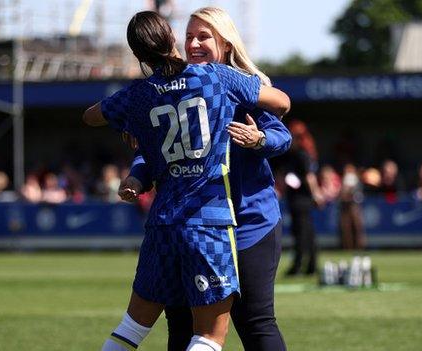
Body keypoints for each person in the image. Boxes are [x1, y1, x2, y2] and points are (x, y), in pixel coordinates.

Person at [82, 11, 290, 351]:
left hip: (246, 222)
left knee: (254, 322)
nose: (193, 43)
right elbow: (156, 152)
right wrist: (138, 171)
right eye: (188, 35)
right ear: (172, 39)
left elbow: (282, 136)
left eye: (203, 36)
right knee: (191, 330)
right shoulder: (217, 80)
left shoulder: (157, 91)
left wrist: (258, 140)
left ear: (225, 41)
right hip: (209, 223)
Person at [280, 120, 323, 276]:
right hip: (298, 198)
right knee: (307, 233)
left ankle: (299, 266)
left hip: (301, 199)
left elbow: (309, 176)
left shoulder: (301, 154)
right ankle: (311, 266)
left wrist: (316, 194)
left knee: (301, 233)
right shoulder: (298, 154)